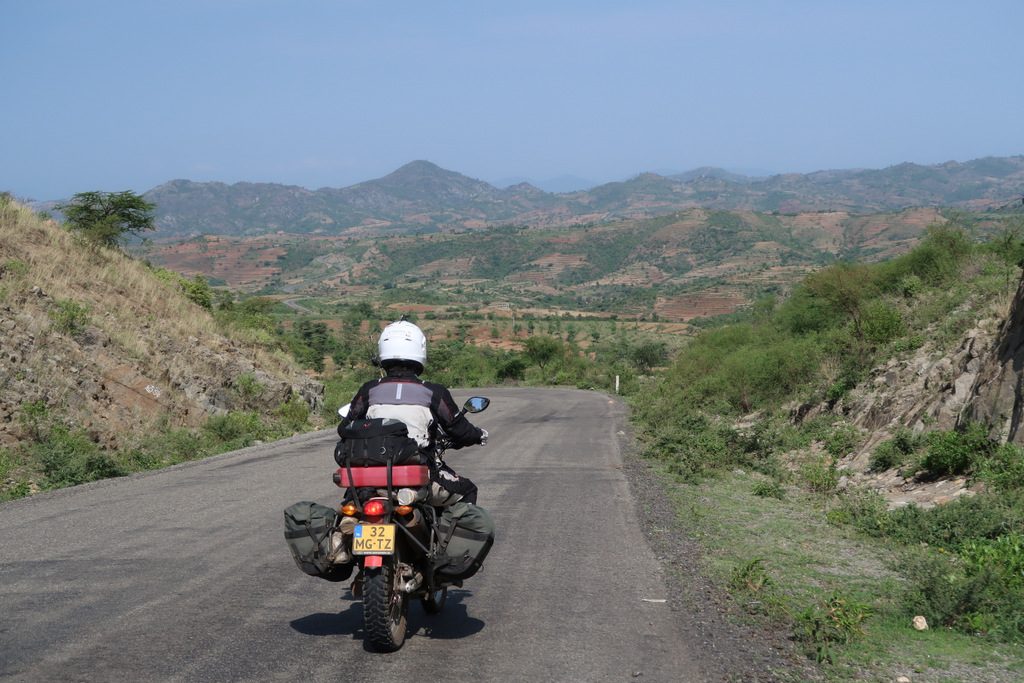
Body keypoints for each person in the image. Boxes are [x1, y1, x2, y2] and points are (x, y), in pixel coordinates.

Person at [339, 319, 488, 505]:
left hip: (368, 478)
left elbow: (345, 427)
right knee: (467, 490)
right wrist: (478, 435)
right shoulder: (433, 392)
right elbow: (459, 430)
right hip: (417, 474)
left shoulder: (369, 390)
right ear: (420, 350)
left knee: (350, 503)